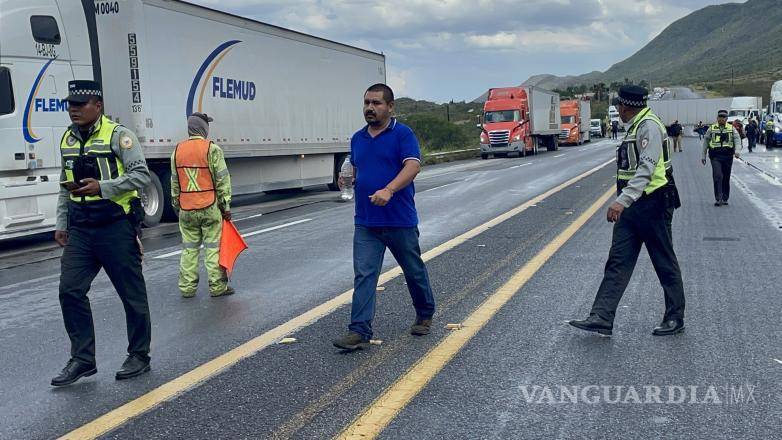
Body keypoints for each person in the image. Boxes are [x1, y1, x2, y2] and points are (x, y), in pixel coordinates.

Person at [51, 80, 152, 386]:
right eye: (70, 104)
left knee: (131, 294)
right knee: (70, 290)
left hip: (114, 225)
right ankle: (83, 359)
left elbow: (141, 176)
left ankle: (139, 355)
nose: (73, 110)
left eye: (80, 105)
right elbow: (63, 183)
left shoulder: (119, 136)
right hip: (81, 227)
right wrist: (61, 221)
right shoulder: (67, 139)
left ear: (98, 105)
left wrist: (103, 188)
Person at [568, 85, 684, 337]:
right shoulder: (636, 126)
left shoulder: (649, 127)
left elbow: (647, 169)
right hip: (633, 206)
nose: (618, 111)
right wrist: (626, 201)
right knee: (618, 260)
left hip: (653, 203)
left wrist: (622, 201)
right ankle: (601, 316)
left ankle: (675, 317)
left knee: (663, 261)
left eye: (620, 106)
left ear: (628, 106)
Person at [332, 83, 436, 351]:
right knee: (364, 275)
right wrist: (348, 179)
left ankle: (424, 313)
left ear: (390, 107)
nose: (370, 108)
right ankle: (359, 330)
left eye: (377, 103)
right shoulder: (357, 138)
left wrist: (389, 189)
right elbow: (354, 168)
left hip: (399, 220)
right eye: (367, 102)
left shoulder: (402, 134)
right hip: (366, 221)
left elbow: (413, 165)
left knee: (413, 270)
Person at [171, 113, 234, 298]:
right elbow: (222, 179)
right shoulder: (212, 149)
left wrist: (177, 203)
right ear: (203, 128)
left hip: (186, 209)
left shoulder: (177, 150)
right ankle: (217, 287)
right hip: (209, 206)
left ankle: (187, 288)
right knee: (212, 247)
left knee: (189, 249)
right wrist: (226, 206)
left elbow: (175, 182)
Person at [702, 110, 741, 206]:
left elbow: (737, 140)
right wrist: (703, 156)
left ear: (727, 119)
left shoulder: (731, 129)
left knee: (726, 177)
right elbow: (706, 142)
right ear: (717, 118)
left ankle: (725, 197)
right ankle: (718, 198)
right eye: (720, 117)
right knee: (718, 176)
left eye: (723, 117)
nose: (721, 119)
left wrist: (737, 151)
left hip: (727, 156)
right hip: (715, 156)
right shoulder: (711, 128)